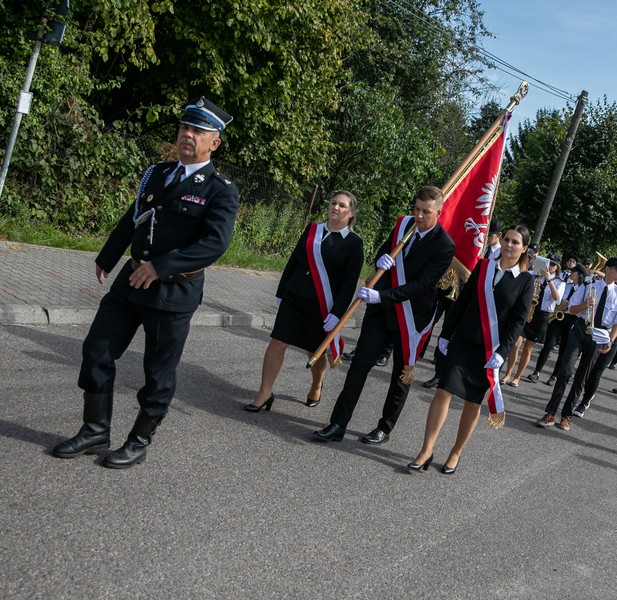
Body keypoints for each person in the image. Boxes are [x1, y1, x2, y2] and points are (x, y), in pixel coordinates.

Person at [51, 97, 238, 468]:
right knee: (96, 351)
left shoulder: (220, 189)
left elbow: (215, 244)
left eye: (198, 131)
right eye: (185, 128)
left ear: (213, 143)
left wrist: (161, 267)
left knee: (158, 373)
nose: (188, 135)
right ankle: (94, 430)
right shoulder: (158, 173)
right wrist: (108, 256)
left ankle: (138, 440)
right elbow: (134, 216)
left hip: (173, 292)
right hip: (130, 281)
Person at [314, 186, 455, 444]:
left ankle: (384, 427)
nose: (419, 216)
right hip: (381, 312)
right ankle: (338, 424)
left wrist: (382, 296)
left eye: (426, 212)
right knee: (359, 366)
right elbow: (384, 249)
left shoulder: (445, 245)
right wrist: (381, 261)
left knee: (401, 376)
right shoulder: (404, 225)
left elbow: (423, 284)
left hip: (412, 318)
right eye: (417, 209)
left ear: (439, 212)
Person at [408, 226, 534, 474]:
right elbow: (462, 302)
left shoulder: (526, 280)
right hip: (464, 340)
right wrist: (445, 334)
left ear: (524, 248)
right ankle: (426, 449)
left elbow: (518, 321)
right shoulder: (484, 266)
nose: (509, 245)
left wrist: (502, 352)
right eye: (506, 239)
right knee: (443, 391)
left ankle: (456, 452)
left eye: (515, 242)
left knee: (472, 402)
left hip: (490, 349)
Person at [245, 191, 364, 413]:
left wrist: (337, 313)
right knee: (277, 341)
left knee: (313, 351)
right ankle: (264, 393)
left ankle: (317, 384)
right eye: (333, 203)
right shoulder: (313, 230)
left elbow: (348, 284)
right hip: (294, 296)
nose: (335, 207)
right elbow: (294, 261)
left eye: (342, 205)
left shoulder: (354, 244)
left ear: (351, 213)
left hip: (322, 306)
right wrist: (281, 293)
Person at [535, 257, 617, 431]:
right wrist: (584, 305)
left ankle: (567, 416)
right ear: (607, 269)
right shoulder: (589, 286)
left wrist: (610, 339)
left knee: (582, 376)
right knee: (565, 371)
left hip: (600, 334)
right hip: (580, 329)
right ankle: (550, 413)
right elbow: (571, 309)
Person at [500, 253, 565, 386]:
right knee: (515, 344)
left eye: (553, 264)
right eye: (548, 263)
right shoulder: (534, 275)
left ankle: (517, 377)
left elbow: (557, 299)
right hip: (527, 311)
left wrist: (549, 280)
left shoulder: (559, 282)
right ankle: (508, 374)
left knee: (528, 348)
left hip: (542, 315)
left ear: (557, 267)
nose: (550, 266)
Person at [525, 264, 588, 385]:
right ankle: (537, 372)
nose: (571, 274)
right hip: (558, 318)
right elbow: (557, 299)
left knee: (563, 350)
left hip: (572, 320)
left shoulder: (584, 289)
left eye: (573, 272)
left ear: (579, 274)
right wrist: (561, 304)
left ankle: (554, 376)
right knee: (548, 345)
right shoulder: (567, 285)